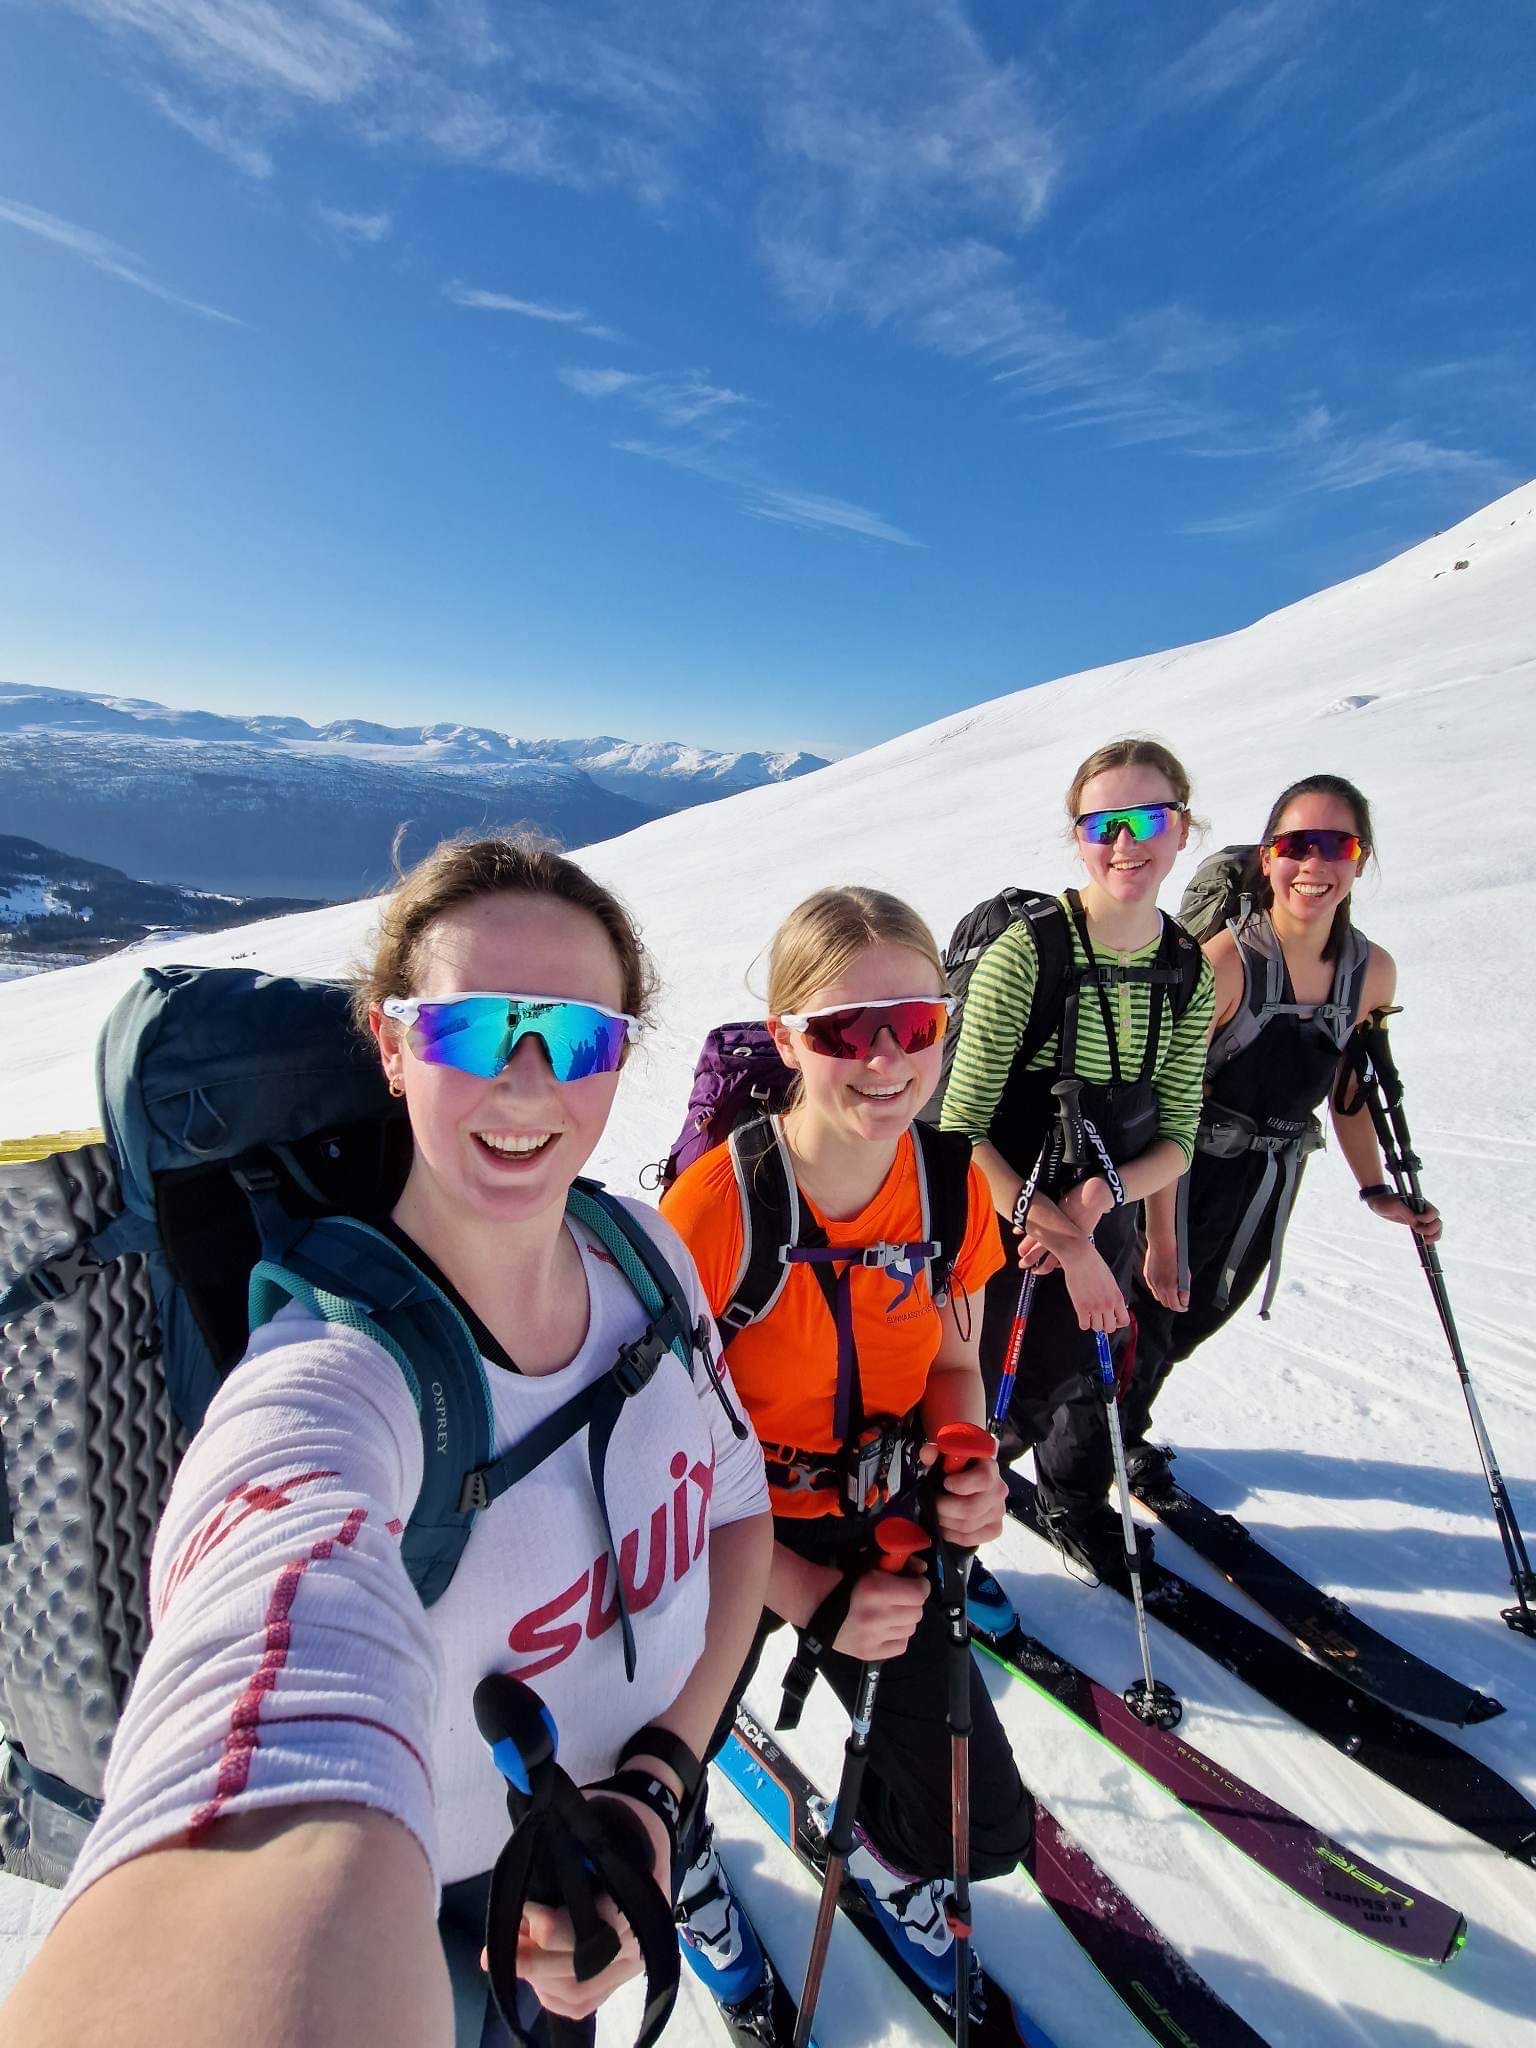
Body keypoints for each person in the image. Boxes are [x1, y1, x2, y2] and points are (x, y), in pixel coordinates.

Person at [1, 836, 771, 2048]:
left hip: (630, 1827)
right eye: (470, 1029)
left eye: (578, 1037)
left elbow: (735, 1507)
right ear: (391, 1041)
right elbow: (267, 1655)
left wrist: (662, 1785)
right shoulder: (333, 1377)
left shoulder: (644, 1252)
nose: (527, 1085)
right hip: (459, 1921)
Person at [660, 886, 1030, 2003]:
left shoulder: (954, 1185)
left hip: (881, 1522)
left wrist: (966, 1454)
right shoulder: (714, 1212)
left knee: (980, 1827)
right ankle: (677, 1862)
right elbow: (653, 1462)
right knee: (654, 1764)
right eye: (840, 1029)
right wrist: (805, 1592)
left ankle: (881, 1848)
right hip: (720, 1538)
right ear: (786, 1037)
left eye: (913, 1023)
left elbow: (954, 1358)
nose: (883, 1058)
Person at [939, 738, 1216, 1573]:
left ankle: (1061, 1502)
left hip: (1099, 1222)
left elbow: (1179, 1135)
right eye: (1105, 823)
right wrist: (1057, 1231)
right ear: (1079, 836)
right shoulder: (1031, 955)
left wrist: (1102, 1207)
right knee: (984, 1401)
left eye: (1149, 819)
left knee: (1082, 1380)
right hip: (995, 1231)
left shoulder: (1184, 969)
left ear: (1182, 829)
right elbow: (958, 1130)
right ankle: (943, 1553)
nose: (1126, 843)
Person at [1122, 775, 1442, 1476]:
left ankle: (1121, 1426)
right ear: (1268, 857)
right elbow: (1164, 1102)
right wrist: (1161, 1238)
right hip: (1181, 1173)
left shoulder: (1371, 972)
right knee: (1143, 1320)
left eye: (1338, 845)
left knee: (1197, 1319)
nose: (1315, 865)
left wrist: (1374, 1188)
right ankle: (1091, 1456)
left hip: (1266, 1183)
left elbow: (1349, 1088)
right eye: (1298, 844)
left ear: (1360, 860)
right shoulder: (1228, 963)